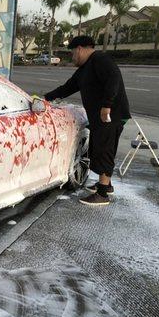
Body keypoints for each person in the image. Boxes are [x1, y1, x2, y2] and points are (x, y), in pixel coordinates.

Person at [44, 35, 131, 206]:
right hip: (101, 116)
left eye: (72, 54)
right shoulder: (85, 69)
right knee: (100, 148)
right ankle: (106, 185)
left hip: (110, 115)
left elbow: (113, 78)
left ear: (79, 49)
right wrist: (46, 98)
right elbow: (67, 88)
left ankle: (102, 194)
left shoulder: (100, 59)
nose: (72, 58)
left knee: (104, 149)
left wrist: (107, 105)